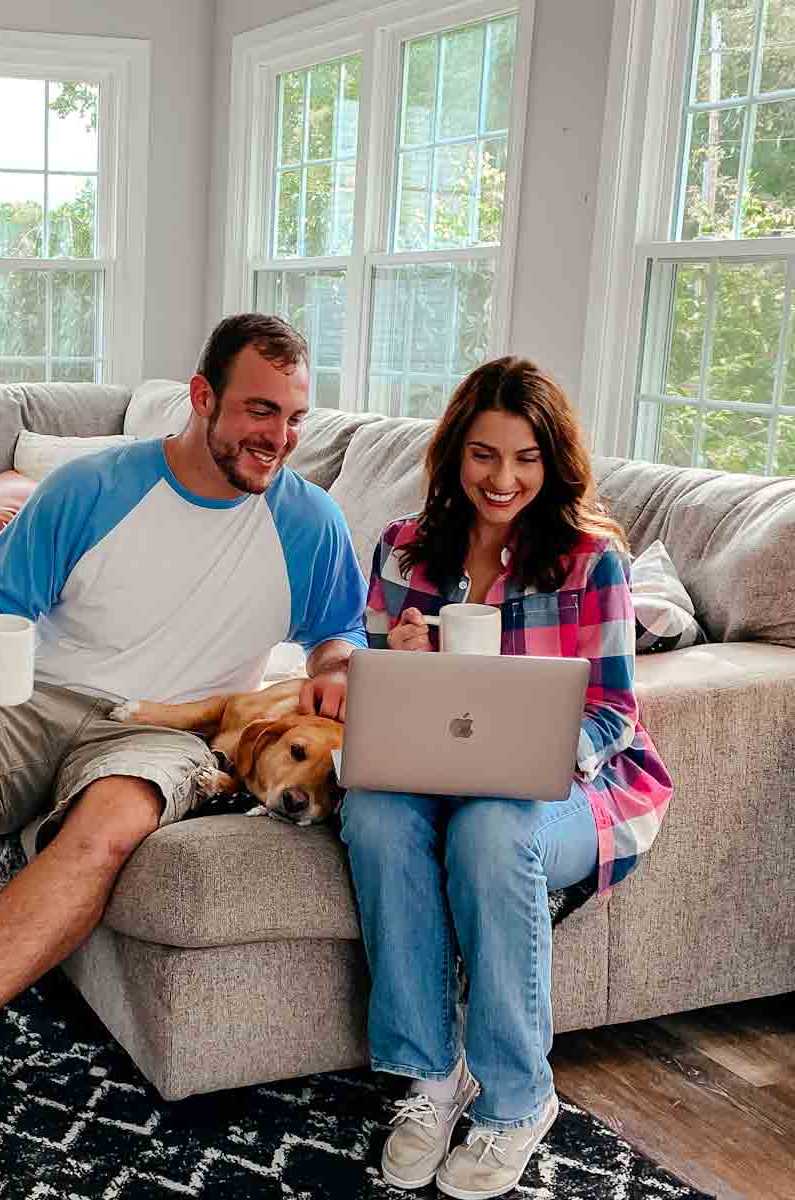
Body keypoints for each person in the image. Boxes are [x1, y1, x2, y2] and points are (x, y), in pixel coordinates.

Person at [0, 313, 367, 1163]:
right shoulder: (92, 487)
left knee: (114, 821)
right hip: (43, 693)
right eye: (259, 412)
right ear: (203, 397)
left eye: (293, 418)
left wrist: (340, 662)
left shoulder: (309, 522)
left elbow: (340, 631)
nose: (278, 437)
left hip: (171, 725)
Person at [336, 357, 673, 1199]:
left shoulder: (590, 562)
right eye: (485, 455)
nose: (505, 478)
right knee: (374, 813)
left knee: (493, 826)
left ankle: (520, 1099)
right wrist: (402, 665)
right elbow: (380, 702)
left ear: (552, 462)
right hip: (431, 777)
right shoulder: (404, 549)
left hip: (577, 788)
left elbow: (613, 714)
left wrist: (527, 760)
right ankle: (431, 1076)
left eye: (526, 458)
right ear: (456, 453)